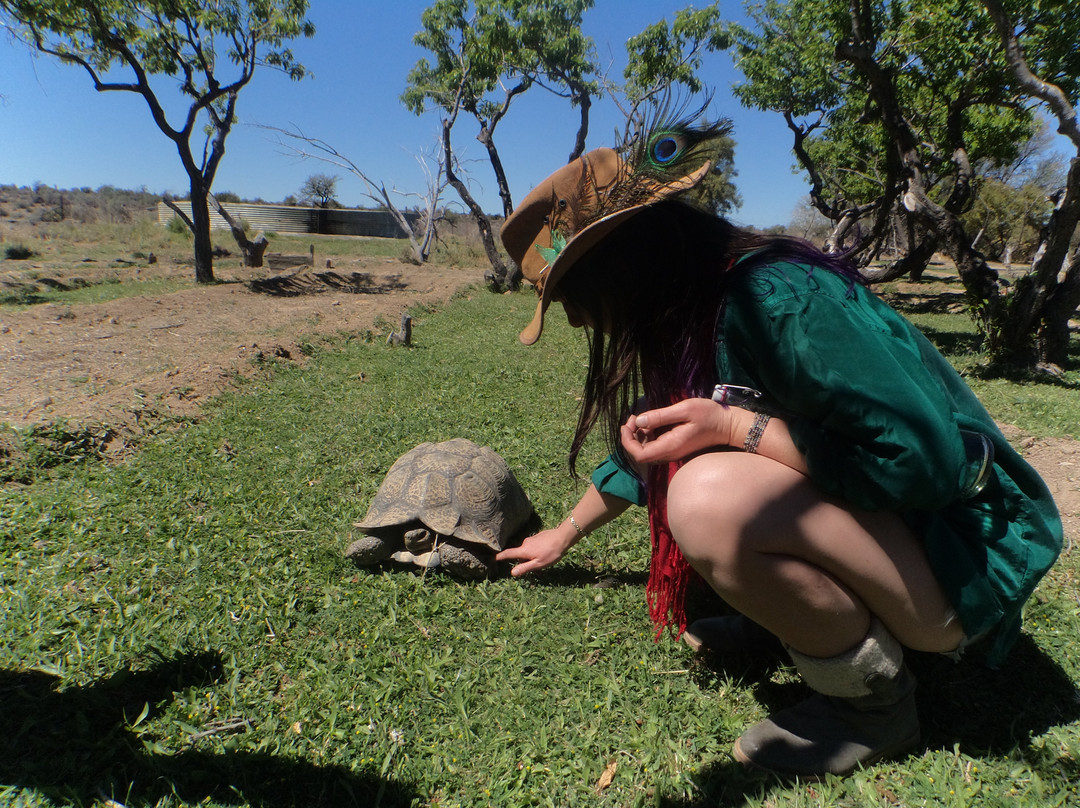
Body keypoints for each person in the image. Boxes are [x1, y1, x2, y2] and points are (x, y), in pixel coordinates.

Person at [494, 115, 1063, 778]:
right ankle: (795, 625)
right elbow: (651, 446)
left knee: (707, 498)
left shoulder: (779, 300)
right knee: (705, 466)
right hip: (907, 541)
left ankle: (871, 706)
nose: (573, 318)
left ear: (621, 267)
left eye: (571, 294)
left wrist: (735, 428)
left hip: (962, 565)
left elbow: (920, 463)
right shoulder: (696, 311)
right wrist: (563, 534)